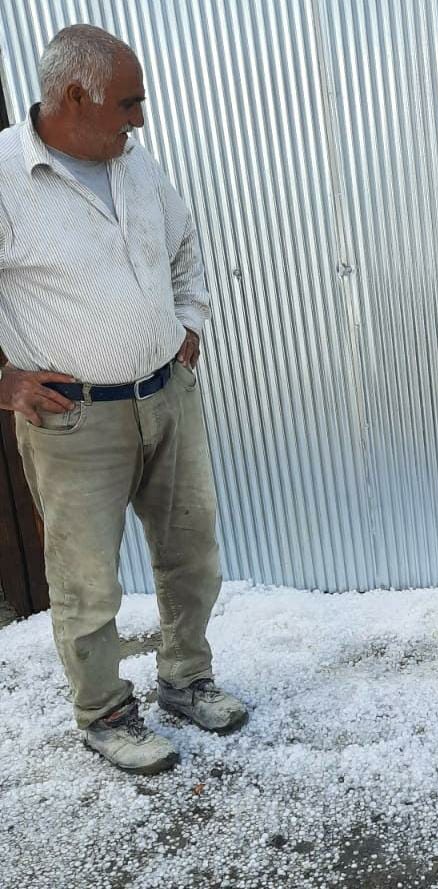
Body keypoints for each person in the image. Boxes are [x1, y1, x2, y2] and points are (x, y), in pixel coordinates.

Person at [0, 24, 246, 775]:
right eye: (128, 103)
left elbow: (184, 243)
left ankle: (185, 678)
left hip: (167, 395)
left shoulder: (134, 163)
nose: (139, 119)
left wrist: (190, 319)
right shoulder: (6, 175)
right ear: (74, 95)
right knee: (87, 580)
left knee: (191, 555)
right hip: (72, 419)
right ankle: (104, 712)